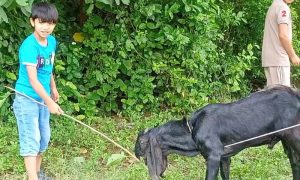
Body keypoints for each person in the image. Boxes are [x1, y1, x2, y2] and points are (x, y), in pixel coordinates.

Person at [12, 2, 63, 180]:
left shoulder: (52, 42)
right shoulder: (29, 47)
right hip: (27, 99)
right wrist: (49, 102)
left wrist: (53, 89)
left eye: (50, 23)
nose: (46, 27)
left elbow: (47, 69)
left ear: (54, 25)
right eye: (41, 22)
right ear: (32, 22)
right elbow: (33, 80)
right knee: (31, 139)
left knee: (43, 138)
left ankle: (38, 173)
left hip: (42, 97)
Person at [262, 0, 300, 87]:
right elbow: (283, 35)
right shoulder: (283, 8)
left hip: (271, 60)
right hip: (279, 59)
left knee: (272, 98)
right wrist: (293, 56)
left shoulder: (274, 5)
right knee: (282, 97)